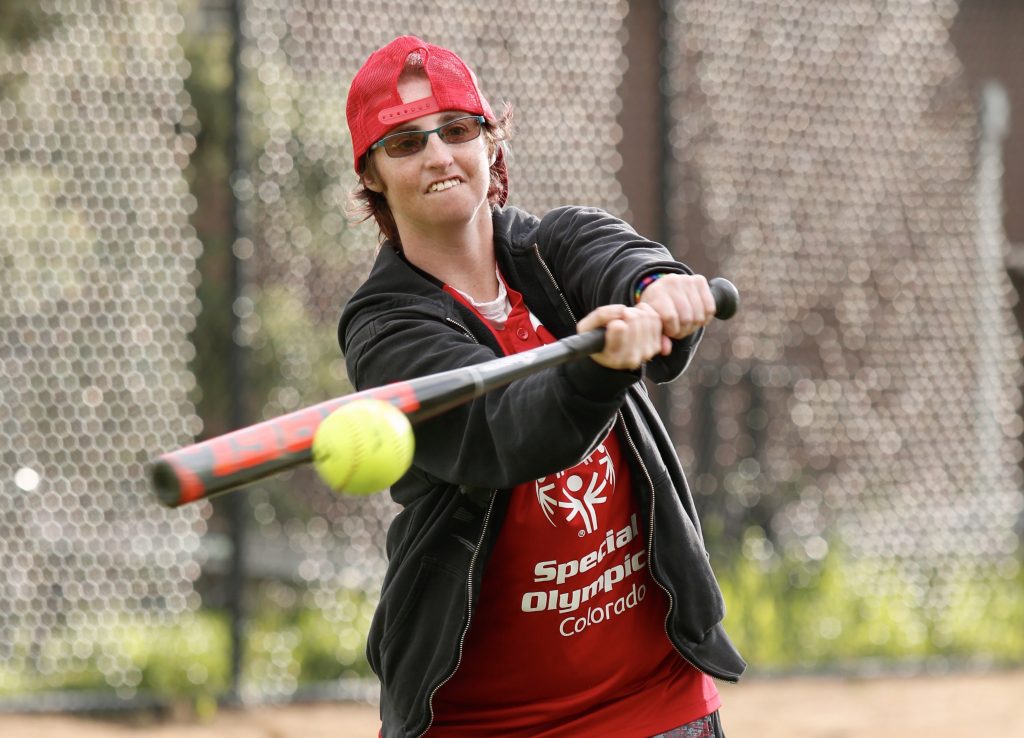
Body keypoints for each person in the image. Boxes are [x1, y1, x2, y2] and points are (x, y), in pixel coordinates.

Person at [338, 35, 745, 738]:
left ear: (491, 143)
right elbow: (504, 435)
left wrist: (660, 292)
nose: (438, 155)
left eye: (457, 130)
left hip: (658, 704)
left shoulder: (556, 249)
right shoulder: (385, 329)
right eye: (404, 143)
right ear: (371, 174)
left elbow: (623, 260)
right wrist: (600, 368)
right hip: (484, 721)